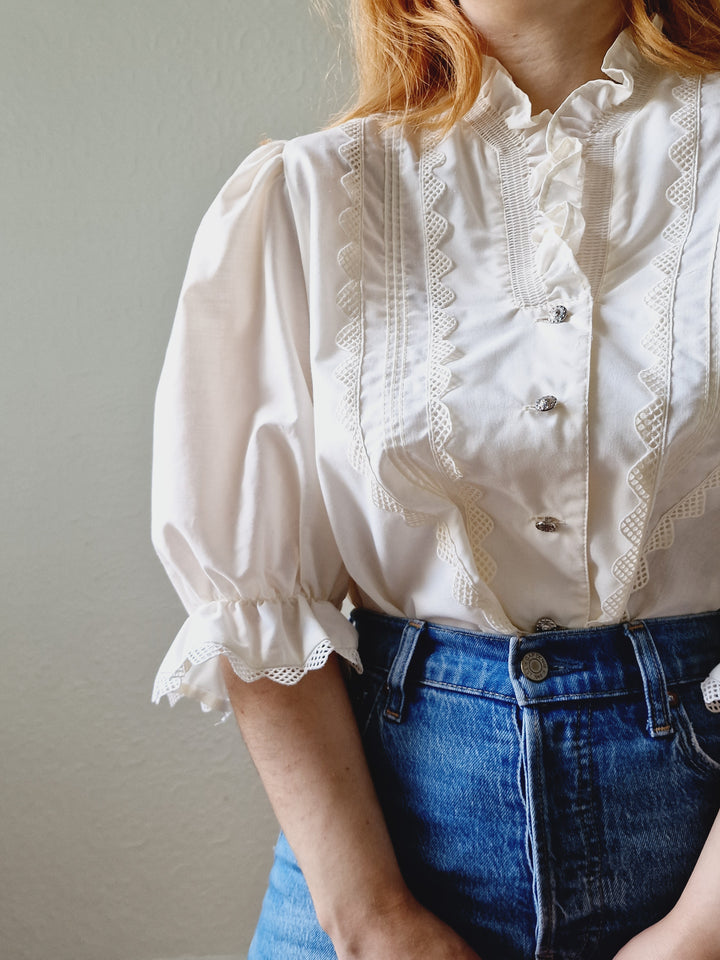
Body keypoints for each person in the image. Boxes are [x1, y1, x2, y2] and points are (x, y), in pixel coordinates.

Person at [151, 1, 720, 957]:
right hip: (377, 866)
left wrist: (699, 934)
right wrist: (373, 923)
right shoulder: (310, 197)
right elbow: (253, 602)